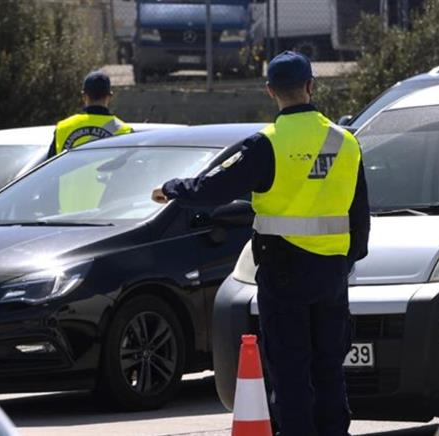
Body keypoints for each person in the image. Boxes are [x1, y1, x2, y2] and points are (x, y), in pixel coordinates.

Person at [151, 51, 370, 436]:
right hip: (332, 274)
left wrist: (172, 189)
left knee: (289, 370)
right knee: (329, 368)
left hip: (283, 273)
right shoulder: (346, 142)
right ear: (311, 86)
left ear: (270, 91)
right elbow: (360, 217)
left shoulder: (265, 144)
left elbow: (212, 188)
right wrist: (345, 261)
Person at [49, 70, 132, 158]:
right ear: (109, 97)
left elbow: (48, 167)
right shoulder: (124, 131)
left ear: (84, 96)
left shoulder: (63, 127)